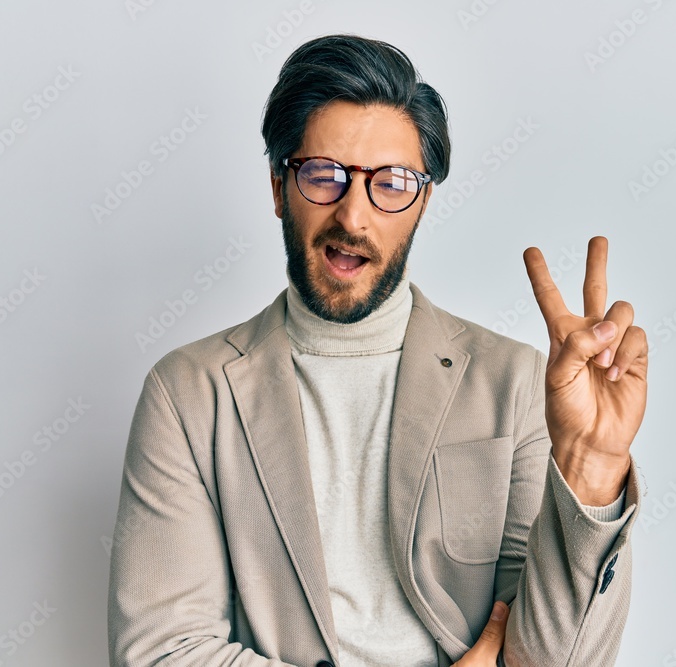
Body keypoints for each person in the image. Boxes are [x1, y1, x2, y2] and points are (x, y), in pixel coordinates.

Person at [107, 33, 648, 667]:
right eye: (323, 175)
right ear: (279, 187)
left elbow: (553, 662)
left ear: (422, 202)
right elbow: (162, 652)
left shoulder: (514, 380)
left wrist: (592, 466)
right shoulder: (189, 394)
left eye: (391, 183)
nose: (353, 217)